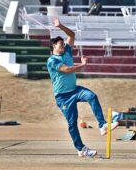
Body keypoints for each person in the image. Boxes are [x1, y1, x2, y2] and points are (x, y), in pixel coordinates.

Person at [47, 17, 118, 158]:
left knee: (92, 96)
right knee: (72, 123)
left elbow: (72, 35)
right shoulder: (51, 61)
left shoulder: (67, 51)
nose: (62, 46)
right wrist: (82, 65)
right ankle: (81, 149)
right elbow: (67, 69)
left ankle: (102, 125)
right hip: (63, 97)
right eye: (60, 45)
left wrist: (60, 25)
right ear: (53, 47)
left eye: (63, 44)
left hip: (75, 90)